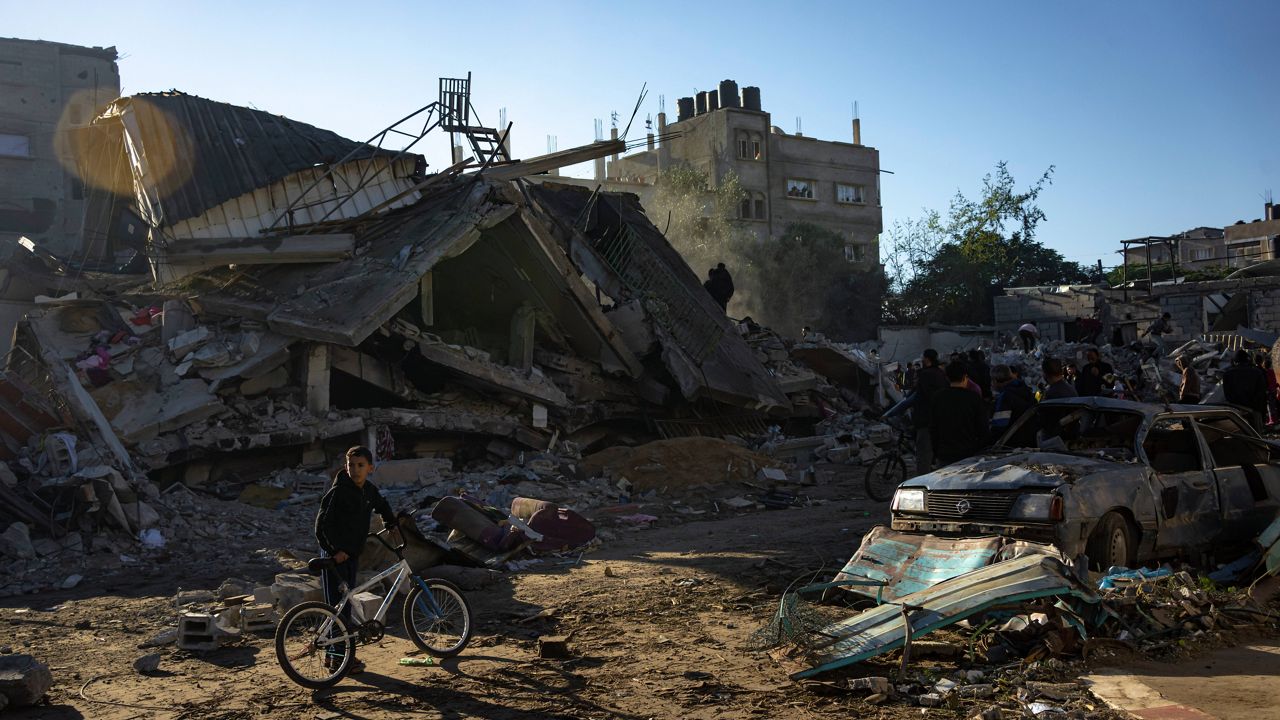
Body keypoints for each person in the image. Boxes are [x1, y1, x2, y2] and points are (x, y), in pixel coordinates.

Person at [314, 446, 400, 672]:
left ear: (370, 468)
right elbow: (321, 526)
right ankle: (341, 661)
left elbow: (381, 505)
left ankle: (334, 657)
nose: (355, 470)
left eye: (361, 465)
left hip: (351, 554)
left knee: (345, 605)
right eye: (351, 465)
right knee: (338, 609)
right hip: (336, 557)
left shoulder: (368, 490)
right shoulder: (338, 492)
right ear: (346, 467)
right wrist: (334, 551)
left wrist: (391, 523)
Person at [930, 360, 990, 465]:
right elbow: (983, 428)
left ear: (947, 377)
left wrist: (936, 452)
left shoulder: (937, 397)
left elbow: (933, 428)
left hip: (945, 453)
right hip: (969, 454)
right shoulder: (974, 398)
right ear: (965, 377)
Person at [910, 348, 950, 475]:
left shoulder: (925, 374)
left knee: (924, 454)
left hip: (926, 419)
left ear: (927, 359)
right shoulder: (940, 373)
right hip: (939, 418)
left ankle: (922, 482)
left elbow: (924, 396)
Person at [989, 364, 1036, 447]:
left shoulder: (1006, 397)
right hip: (1030, 440)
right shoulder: (1025, 389)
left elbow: (999, 426)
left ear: (995, 380)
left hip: (1013, 445)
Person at [1221, 349, 1268, 429]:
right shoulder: (1257, 373)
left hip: (1234, 413)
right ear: (1248, 359)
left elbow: (1228, 395)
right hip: (1253, 411)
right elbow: (1262, 395)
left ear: (1235, 361)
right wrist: (1262, 415)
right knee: (1255, 437)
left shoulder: (1227, 374)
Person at [1039, 357, 1078, 447]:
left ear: (1045, 374)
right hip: (1069, 439)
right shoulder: (1070, 388)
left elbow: (1044, 420)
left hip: (1055, 442)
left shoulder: (1051, 393)